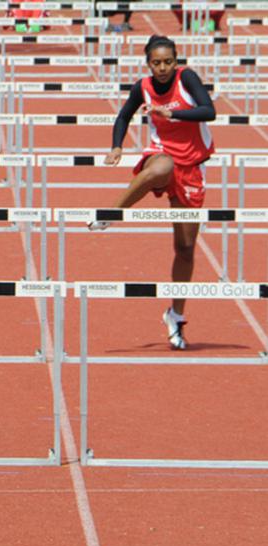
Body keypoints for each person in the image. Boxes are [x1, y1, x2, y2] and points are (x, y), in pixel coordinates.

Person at [89, 35, 215, 350]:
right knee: (159, 169)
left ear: (175, 61)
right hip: (162, 153)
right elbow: (123, 115)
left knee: (185, 248)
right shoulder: (142, 86)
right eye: (156, 62)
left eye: (167, 62)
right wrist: (116, 146)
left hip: (193, 165)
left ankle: (176, 315)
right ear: (148, 63)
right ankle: (110, 214)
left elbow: (208, 111)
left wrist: (172, 113)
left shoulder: (187, 78)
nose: (162, 68)